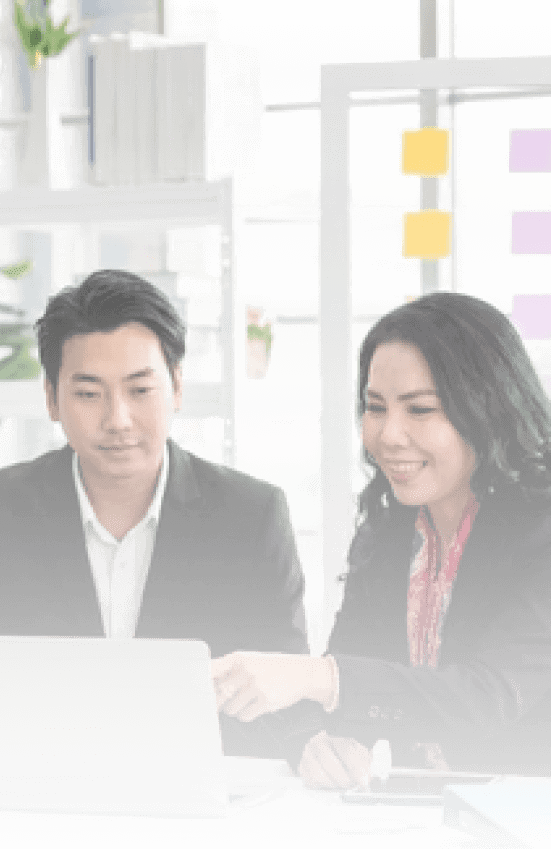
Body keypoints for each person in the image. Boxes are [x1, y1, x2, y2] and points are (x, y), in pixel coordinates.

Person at [0, 269, 309, 757]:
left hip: (205, 792)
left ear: (176, 387)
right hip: (36, 783)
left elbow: (287, 696)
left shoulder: (250, 516)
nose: (118, 420)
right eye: (89, 394)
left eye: (140, 390)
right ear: (51, 397)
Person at [211, 292, 551, 784]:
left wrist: (314, 677)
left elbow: (491, 695)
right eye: (375, 407)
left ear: (487, 409)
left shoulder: (542, 527)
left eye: (420, 410)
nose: (388, 435)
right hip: (437, 822)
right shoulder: (390, 533)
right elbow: (355, 697)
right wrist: (323, 744)